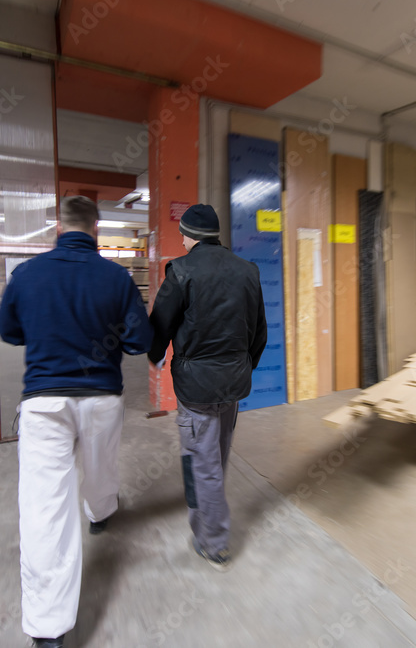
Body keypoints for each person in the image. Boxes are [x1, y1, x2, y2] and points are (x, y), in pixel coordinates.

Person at [0, 195, 151, 648]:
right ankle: (100, 514)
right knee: (100, 469)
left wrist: (43, 329)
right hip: (102, 397)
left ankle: (48, 632)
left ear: (58, 226)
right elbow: (140, 340)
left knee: (45, 508)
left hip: (44, 402)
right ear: (95, 227)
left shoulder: (27, 273)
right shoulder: (116, 277)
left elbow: (8, 330)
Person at [147, 203, 267, 571]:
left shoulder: (181, 271)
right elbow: (259, 333)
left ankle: (213, 542)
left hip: (196, 388)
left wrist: (156, 357)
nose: (181, 239)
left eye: (182, 233)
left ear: (190, 236)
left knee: (202, 464)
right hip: (233, 384)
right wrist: (242, 367)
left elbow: (159, 326)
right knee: (217, 456)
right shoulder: (247, 271)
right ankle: (208, 525)